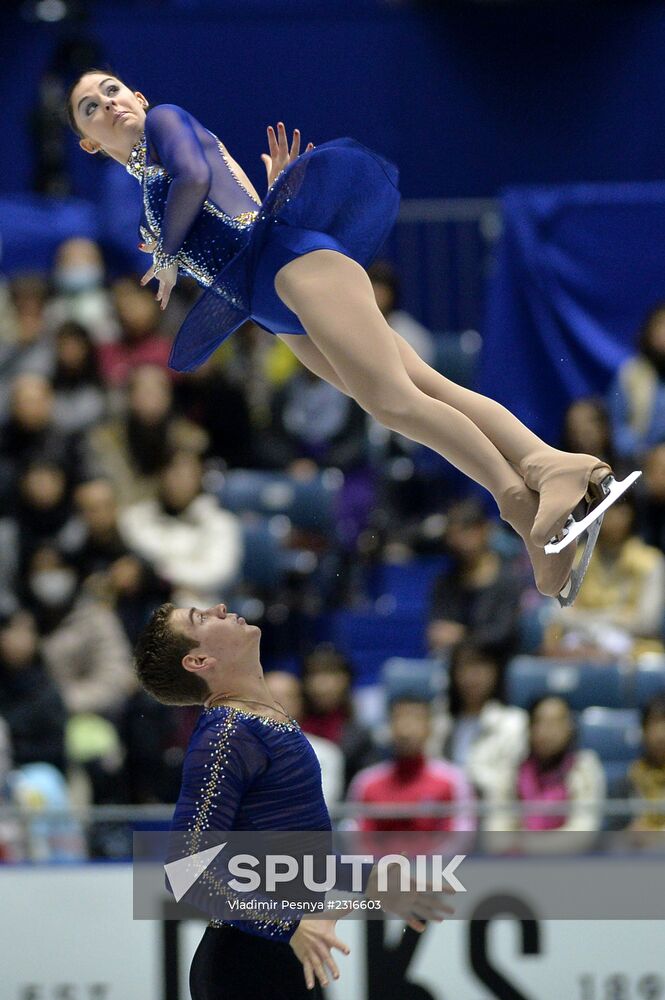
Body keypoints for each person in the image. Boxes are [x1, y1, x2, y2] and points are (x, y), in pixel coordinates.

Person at [67, 70, 639, 604]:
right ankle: (551, 464)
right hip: (275, 305)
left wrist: (167, 254)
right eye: (90, 107)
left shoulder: (165, 119)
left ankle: (522, 503)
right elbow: (228, 205)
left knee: (397, 403)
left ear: (138, 99)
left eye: (114, 89)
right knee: (423, 389)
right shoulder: (146, 195)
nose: (109, 103)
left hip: (295, 268)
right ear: (88, 143)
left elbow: (197, 175)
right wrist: (266, 198)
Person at [134, 601, 451, 998]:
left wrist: (369, 878)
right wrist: (287, 925)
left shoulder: (261, 720)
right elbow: (186, 872)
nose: (218, 607)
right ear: (199, 660)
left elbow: (290, 863)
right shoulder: (225, 735)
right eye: (201, 618)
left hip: (288, 956)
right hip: (244, 969)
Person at [485, 695, 606, 853]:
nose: (548, 731)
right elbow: (495, 833)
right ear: (529, 728)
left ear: (570, 727)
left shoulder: (585, 768)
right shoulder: (512, 770)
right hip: (517, 867)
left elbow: (583, 833)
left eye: (556, 722)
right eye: (540, 722)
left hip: (569, 867)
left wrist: (528, 845)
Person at [347, 696, 476, 833]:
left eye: (416, 720)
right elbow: (356, 838)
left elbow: (461, 836)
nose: (406, 730)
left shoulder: (453, 780)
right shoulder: (366, 782)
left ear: (429, 728)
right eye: (399, 719)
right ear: (389, 728)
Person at [427, 499, 523, 660]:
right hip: (454, 663)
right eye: (453, 534)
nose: (460, 541)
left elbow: (504, 634)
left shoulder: (509, 579)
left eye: (467, 532)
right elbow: (439, 631)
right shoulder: (445, 581)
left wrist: (463, 636)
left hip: (498, 663)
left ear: (485, 530)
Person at [441, 642, 527, 805]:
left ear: (495, 671)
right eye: (463, 667)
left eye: (479, 666)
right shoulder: (441, 721)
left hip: (492, 812)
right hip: (447, 814)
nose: (471, 676)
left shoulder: (513, 722)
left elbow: (511, 785)